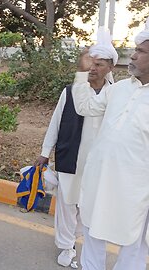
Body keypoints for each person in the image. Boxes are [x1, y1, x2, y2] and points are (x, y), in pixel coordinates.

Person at [34, 28, 117, 268]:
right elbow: (56, 123)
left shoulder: (115, 94)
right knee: (67, 204)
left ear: (110, 67)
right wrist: (44, 152)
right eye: (91, 63)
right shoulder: (70, 92)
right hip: (71, 155)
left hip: (98, 163)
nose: (93, 68)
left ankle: (77, 238)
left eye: (98, 64)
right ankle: (66, 246)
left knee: (87, 204)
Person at [72, 18, 149, 270]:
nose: (133, 55)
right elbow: (85, 107)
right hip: (100, 177)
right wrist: (82, 74)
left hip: (134, 188)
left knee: (133, 242)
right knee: (93, 229)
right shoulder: (119, 89)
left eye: (140, 51)